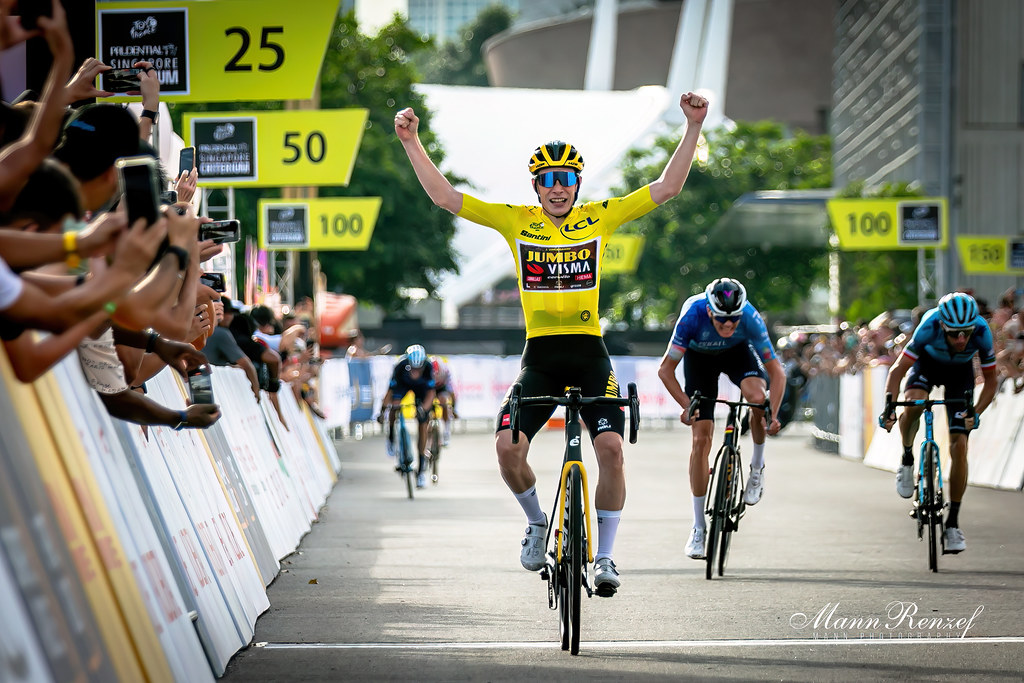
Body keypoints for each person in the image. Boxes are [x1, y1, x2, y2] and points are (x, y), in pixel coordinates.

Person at [395, 91, 709, 595]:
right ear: (536, 186)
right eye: (548, 179)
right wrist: (412, 142)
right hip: (540, 357)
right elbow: (446, 198)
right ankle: (537, 522)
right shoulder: (516, 220)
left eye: (566, 178)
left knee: (611, 450)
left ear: (578, 184)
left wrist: (692, 126)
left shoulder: (600, 217)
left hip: (589, 355)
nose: (558, 187)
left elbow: (667, 187)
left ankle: (605, 557)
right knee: (507, 449)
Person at [657, 278, 785, 560]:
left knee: (757, 398)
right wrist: (686, 405)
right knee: (701, 440)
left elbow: (778, 373)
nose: (728, 325)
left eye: (733, 320)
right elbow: (665, 370)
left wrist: (772, 414)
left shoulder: (750, 318)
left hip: (737, 354)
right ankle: (698, 527)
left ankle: (757, 466)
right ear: (709, 311)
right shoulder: (692, 315)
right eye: (722, 320)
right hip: (699, 360)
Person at [878, 291, 997, 554]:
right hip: (927, 366)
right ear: (943, 326)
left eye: (966, 333)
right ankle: (907, 458)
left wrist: (975, 412)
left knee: (960, 446)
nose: (961, 339)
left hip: (961, 374)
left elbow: (991, 382)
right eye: (954, 334)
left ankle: (952, 523)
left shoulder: (981, 331)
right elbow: (897, 371)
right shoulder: (929, 326)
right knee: (913, 405)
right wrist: (889, 407)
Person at [376, 344, 436, 489]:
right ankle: (391, 437)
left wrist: (423, 409)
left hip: (421, 389)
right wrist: (382, 411)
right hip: (403, 385)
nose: (415, 372)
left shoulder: (428, 367)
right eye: (412, 369)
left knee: (423, 423)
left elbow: (430, 393)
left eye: (418, 369)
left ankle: (421, 471)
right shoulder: (400, 366)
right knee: (394, 406)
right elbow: (390, 392)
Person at [430, 355, 457, 446]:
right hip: (430, 387)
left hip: (442, 387)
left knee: (444, 401)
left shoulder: (445, 370)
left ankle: (446, 430)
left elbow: (452, 393)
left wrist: (453, 409)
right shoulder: (426, 370)